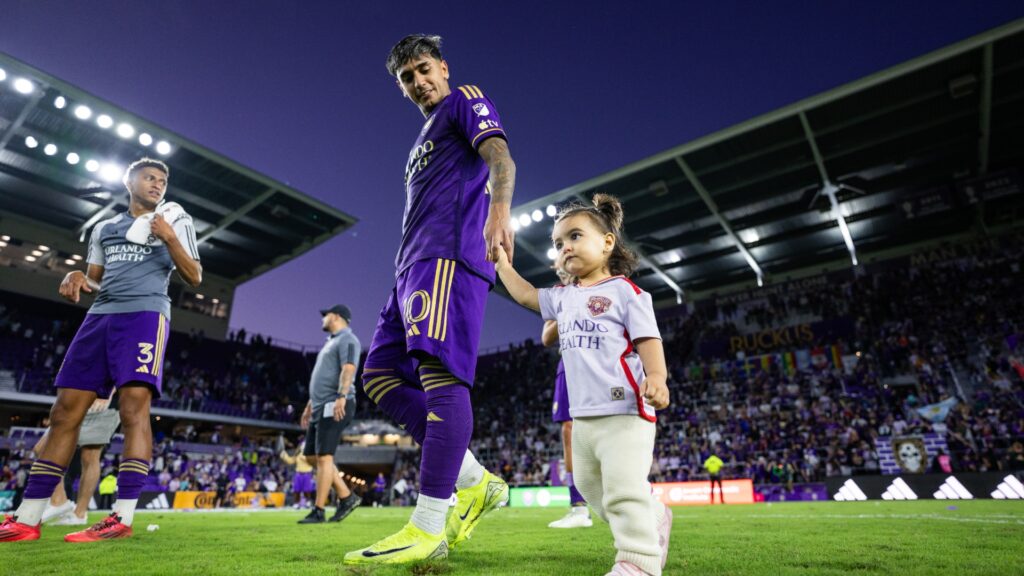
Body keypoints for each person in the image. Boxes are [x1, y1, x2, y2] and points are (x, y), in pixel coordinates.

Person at [344, 34, 516, 565]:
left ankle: (427, 528)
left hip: (445, 259)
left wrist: (498, 211)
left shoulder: (464, 99)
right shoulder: (423, 137)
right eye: (408, 78)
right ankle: (474, 480)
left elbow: (500, 156)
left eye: (424, 70)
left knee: (439, 378)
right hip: (410, 269)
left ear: (443, 67)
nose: (419, 82)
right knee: (378, 376)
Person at [1, 158, 201, 543]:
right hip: (100, 317)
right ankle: (27, 519)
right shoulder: (104, 228)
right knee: (64, 412)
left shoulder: (177, 219)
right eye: (149, 178)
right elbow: (94, 280)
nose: (158, 185)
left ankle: (121, 518)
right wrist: (77, 275)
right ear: (129, 182)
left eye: (163, 180)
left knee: (133, 409)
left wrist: (169, 237)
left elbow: (194, 276)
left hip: (145, 316)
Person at [495, 193, 673, 576]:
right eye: (558, 243)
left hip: (624, 411)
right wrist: (503, 264)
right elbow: (526, 294)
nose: (565, 248)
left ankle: (639, 561)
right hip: (584, 416)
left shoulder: (626, 292)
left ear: (607, 242)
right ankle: (654, 514)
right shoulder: (564, 297)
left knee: (624, 490)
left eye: (575, 236)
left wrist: (656, 377)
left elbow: (648, 340)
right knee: (594, 490)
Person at [297, 305, 362, 524]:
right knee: (311, 457)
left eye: (325, 316)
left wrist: (341, 396)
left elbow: (349, 369)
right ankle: (346, 497)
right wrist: (309, 405)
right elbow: (322, 379)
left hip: (335, 404)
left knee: (325, 457)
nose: (322, 319)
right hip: (319, 406)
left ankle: (319, 510)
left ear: (335, 316)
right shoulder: (331, 342)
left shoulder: (348, 339)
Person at [37, 397, 122, 526]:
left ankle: (79, 513)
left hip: (101, 401)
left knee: (90, 455)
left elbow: (121, 375)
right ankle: (59, 500)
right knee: (42, 448)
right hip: (77, 396)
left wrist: (108, 393)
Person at [544, 310, 591, 528]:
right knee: (568, 428)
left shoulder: (607, 283)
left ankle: (635, 497)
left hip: (603, 357)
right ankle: (579, 506)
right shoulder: (559, 294)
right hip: (570, 360)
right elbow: (546, 338)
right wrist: (567, 309)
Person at [280, 443, 315, 508]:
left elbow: (310, 461)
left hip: (307, 473)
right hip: (298, 473)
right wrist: (284, 455)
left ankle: (308, 502)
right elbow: (290, 461)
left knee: (307, 490)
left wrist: (302, 455)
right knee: (296, 490)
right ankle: (296, 503)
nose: (302, 447)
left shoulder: (310, 454)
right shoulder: (298, 455)